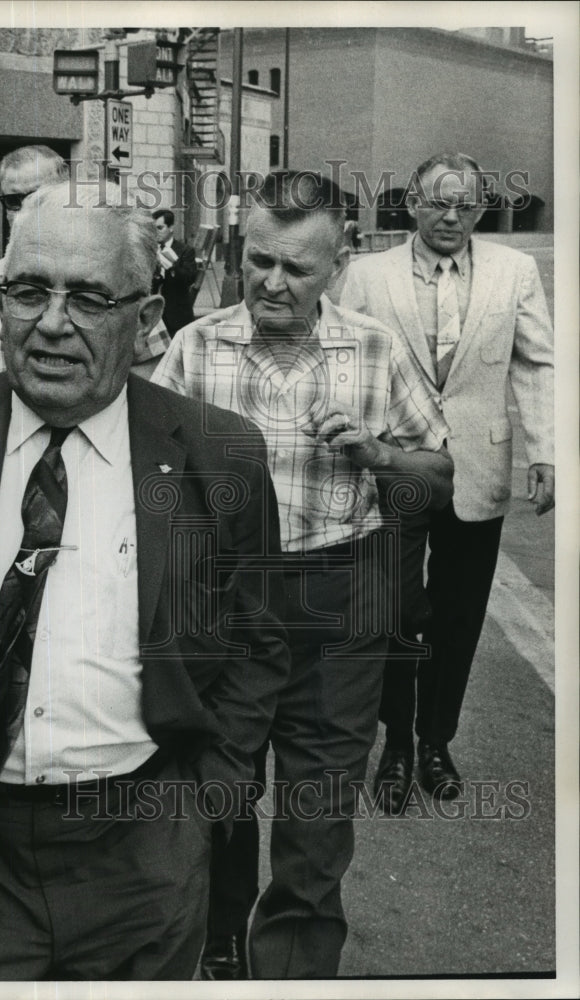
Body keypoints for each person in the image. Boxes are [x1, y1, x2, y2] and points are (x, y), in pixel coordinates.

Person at [0, 179, 290, 982]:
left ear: (145, 318)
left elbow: (257, 647)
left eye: (90, 298)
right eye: (28, 291)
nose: (53, 322)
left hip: (142, 859)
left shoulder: (220, 455)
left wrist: (201, 810)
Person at [152, 169, 454, 979]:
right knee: (216, 793)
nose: (273, 283)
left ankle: (293, 974)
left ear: (339, 263)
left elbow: (438, 477)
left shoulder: (375, 349)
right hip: (223, 603)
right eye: (259, 261)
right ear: (237, 252)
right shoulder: (194, 348)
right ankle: (219, 948)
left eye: (297, 268)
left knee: (318, 817)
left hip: (338, 601)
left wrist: (377, 453)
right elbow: (141, 481)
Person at [340, 151, 554, 812]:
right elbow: (340, 359)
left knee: (459, 616)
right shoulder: (366, 275)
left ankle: (436, 741)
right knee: (397, 614)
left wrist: (546, 452)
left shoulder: (514, 272)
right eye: (438, 201)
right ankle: (396, 743)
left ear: (482, 208)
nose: (452, 216)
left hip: (478, 470)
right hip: (395, 470)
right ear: (412, 204)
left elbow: (537, 363)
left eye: (466, 205)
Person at [0, 146, 170, 381]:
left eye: (38, 197)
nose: (25, 210)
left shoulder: (119, 285)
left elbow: (148, 384)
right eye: (13, 201)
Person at [151, 208, 197, 335]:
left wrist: (172, 267)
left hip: (177, 313)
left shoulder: (185, 250)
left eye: (160, 228)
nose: (155, 232)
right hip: (153, 313)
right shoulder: (150, 250)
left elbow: (189, 278)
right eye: (153, 229)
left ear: (171, 228)